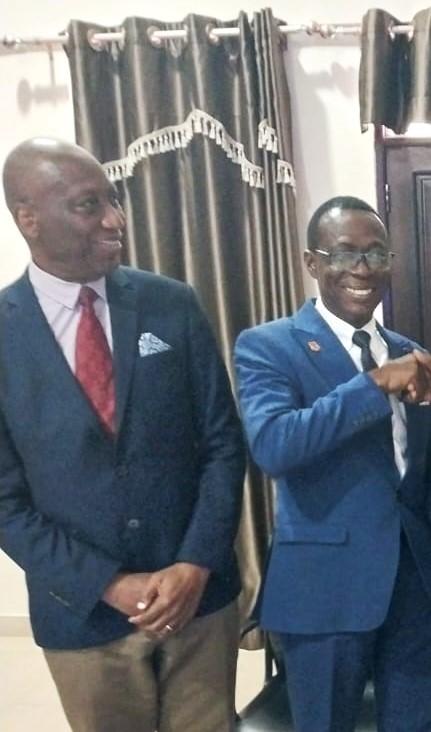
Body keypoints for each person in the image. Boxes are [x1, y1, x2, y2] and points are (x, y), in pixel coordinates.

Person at [0, 138, 246, 732]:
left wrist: (195, 563)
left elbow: (222, 443)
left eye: (115, 200)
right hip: (82, 616)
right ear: (29, 219)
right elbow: (4, 503)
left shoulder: (171, 304)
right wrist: (106, 584)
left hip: (199, 605)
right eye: (90, 205)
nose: (116, 220)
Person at [233, 196, 431, 732]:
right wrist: (375, 383)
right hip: (324, 593)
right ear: (312, 262)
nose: (363, 268)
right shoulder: (269, 346)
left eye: (376, 254)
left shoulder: (409, 350)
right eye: (345, 253)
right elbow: (275, 445)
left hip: (417, 589)